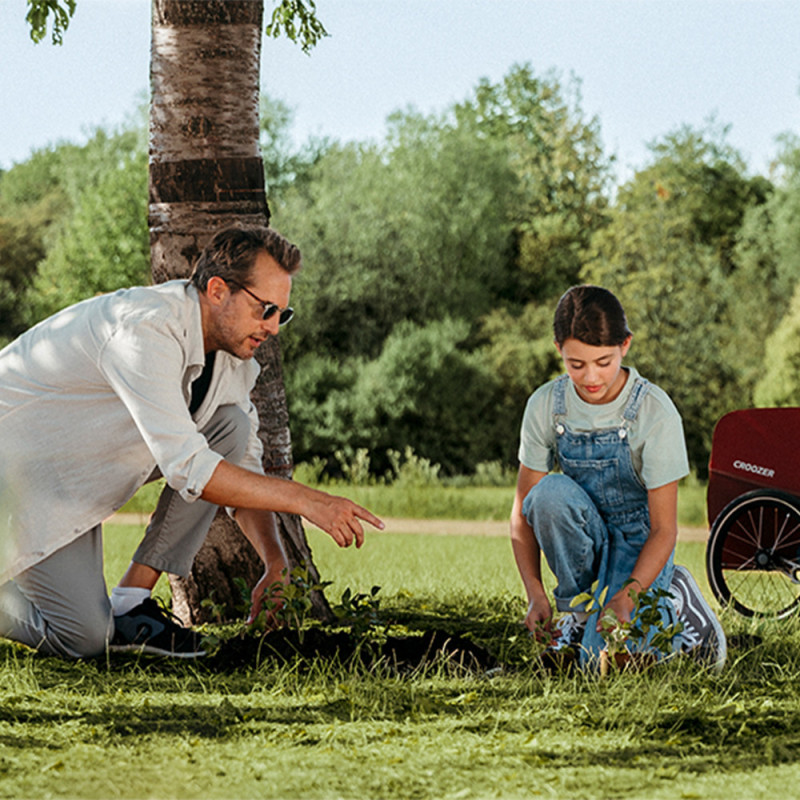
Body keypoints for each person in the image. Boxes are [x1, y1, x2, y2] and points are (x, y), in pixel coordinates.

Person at [0, 225, 383, 660]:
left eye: (283, 314)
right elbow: (189, 468)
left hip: (67, 477)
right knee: (83, 639)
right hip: (15, 473)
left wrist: (275, 561)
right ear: (218, 290)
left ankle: (131, 604)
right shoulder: (145, 329)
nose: (274, 328)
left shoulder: (233, 357)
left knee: (231, 426)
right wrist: (307, 500)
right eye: (266, 309)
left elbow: (243, 463)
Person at [509, 285, 726, 671]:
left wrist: (630, 593)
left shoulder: (654, 412)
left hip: (641, 543)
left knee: (610, 663)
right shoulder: (546, 405)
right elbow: (523, 513)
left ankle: (677, 596)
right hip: (585, 535)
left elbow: (664, 529)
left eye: (603, 362)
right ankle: (578, 616)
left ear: (625, 345)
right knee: (548, 494)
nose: (591, 377)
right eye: (576, 364)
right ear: (558, 349)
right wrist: (535, 593)